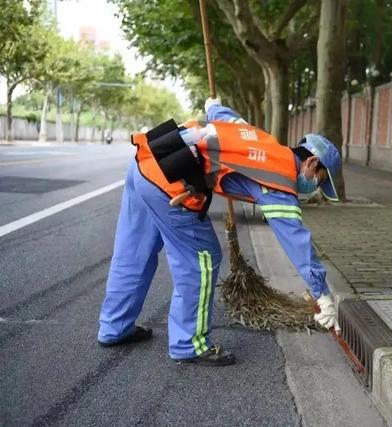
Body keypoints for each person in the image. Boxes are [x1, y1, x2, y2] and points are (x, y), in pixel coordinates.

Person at [97, 98, 341, 366]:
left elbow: (225, 116)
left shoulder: (262, 140)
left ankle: (114, 327)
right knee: (202, 258)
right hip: (171, 182)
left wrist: (213, 105)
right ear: (312, 162)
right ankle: (189, 344)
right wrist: (321, 293)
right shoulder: (279, 179)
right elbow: (296, 241)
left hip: (146, 160)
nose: (314, 188)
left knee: (133, 252)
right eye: (319, 181)